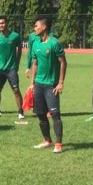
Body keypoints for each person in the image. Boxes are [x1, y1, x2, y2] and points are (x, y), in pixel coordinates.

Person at [27, 16, 66, 154]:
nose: (34, 28)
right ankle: (47, 140)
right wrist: (32, 83)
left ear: (44, 27)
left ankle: (59, 144)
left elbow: (63, 62)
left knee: (55, 114)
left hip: (51, 85)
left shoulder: (54, 43)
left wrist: (60, 83)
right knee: (40, 114)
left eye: (36, 25)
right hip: (38, 85)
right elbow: (35, 64)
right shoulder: (36, 43)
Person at [0, 16, 25, 123]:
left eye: (3, 23)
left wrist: (17, 64)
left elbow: (20, 50)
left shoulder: (15, 36)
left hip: (11, 68)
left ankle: (20, 112)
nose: (1, 25)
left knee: (16, 89)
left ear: (7, 23)